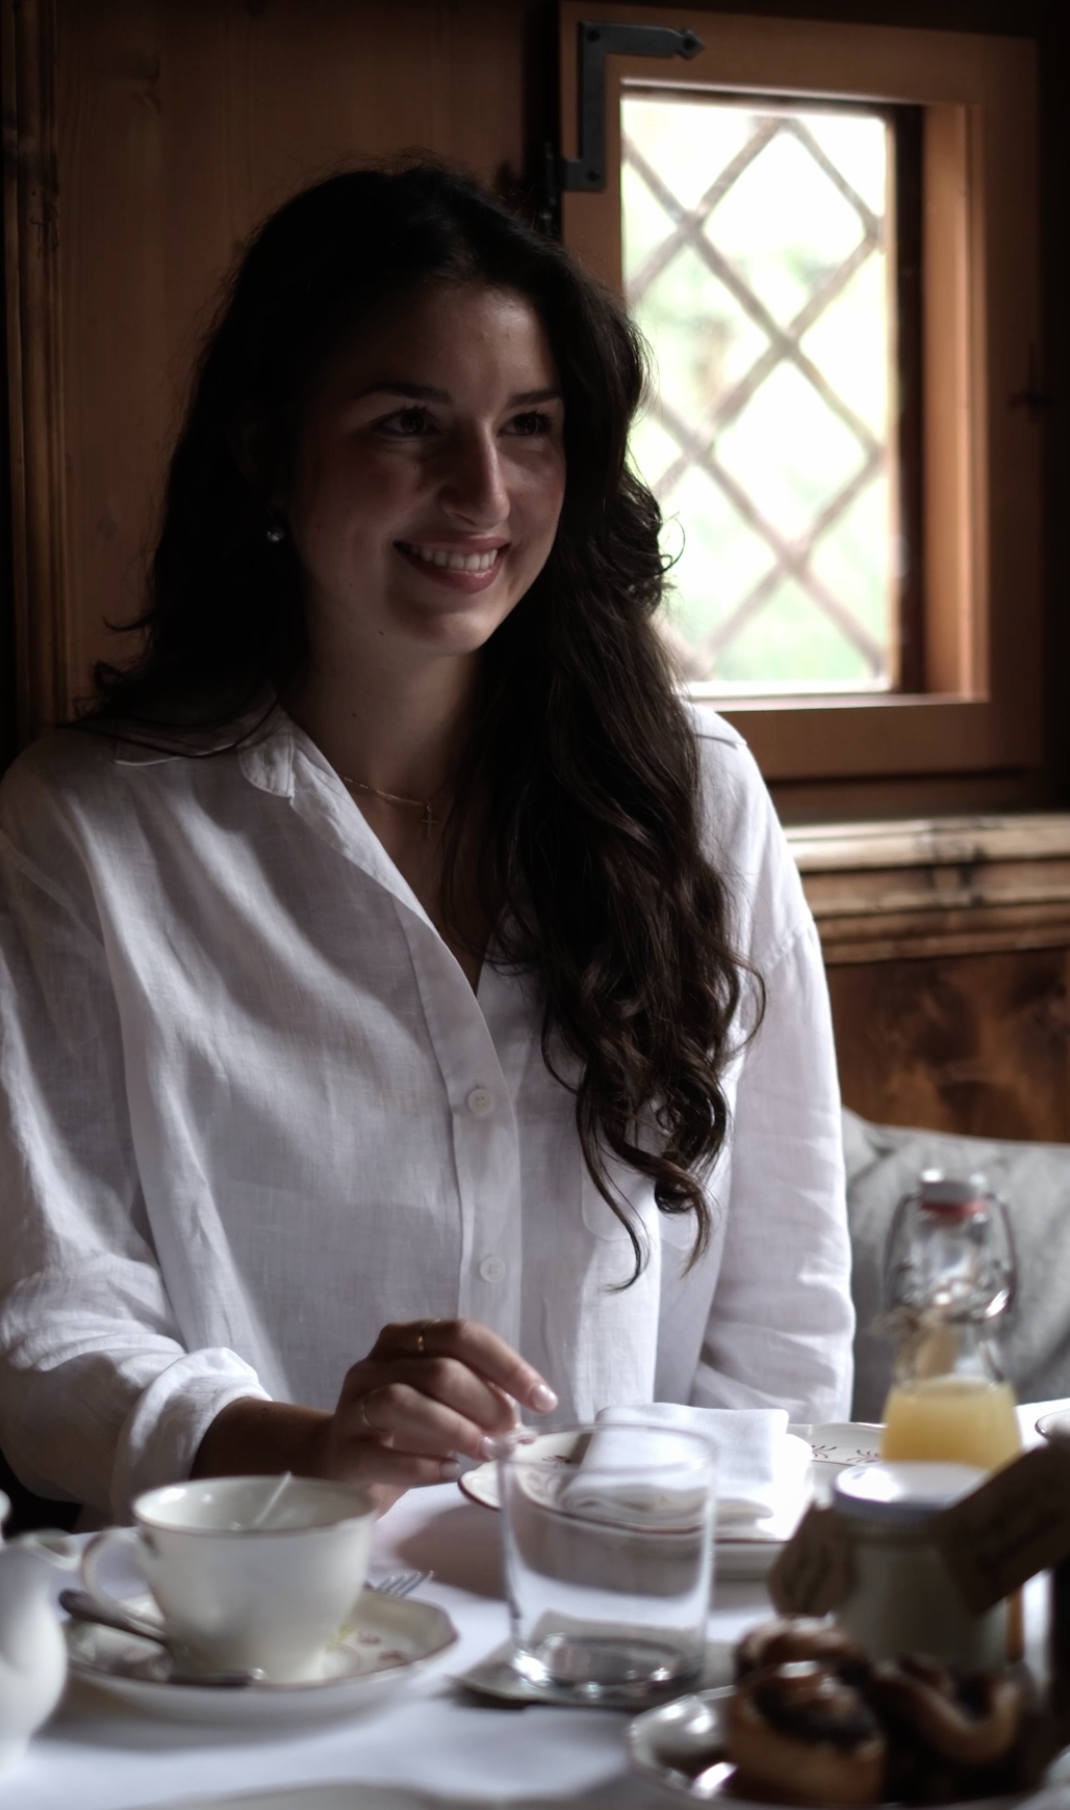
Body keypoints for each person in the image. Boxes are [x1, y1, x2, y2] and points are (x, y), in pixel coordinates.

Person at [0, 162, 853, 1524]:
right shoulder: (92, 829)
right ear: (263, 445)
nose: (482, 492)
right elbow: (48, 1331)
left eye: (530, 426)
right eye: (410, 422)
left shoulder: (693, 797)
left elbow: (782, 1313)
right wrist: (303, 1445)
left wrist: (706, 1605)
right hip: (250, 1639)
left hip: (628, 1632)